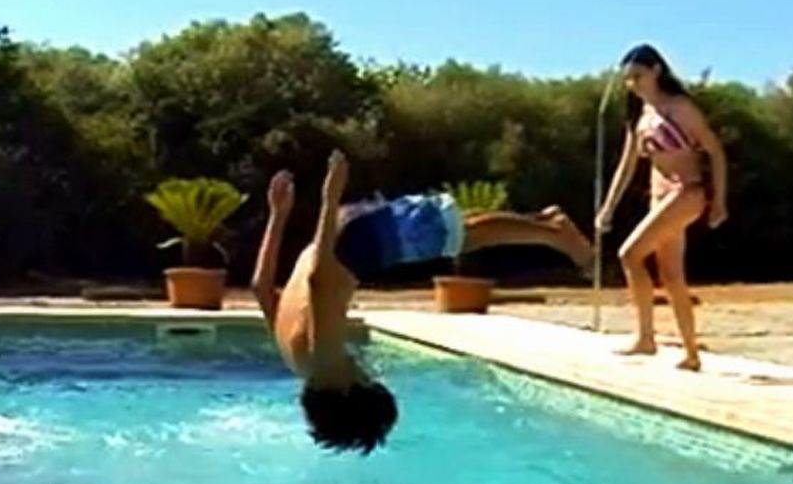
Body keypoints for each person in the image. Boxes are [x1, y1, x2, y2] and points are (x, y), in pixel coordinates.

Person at [254, 151, 593, 453]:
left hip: (352, 247)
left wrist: (329, 197)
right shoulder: (295, 360)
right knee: (451, 227)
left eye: (366, 379)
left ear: (347, 391)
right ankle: (545, 222)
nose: (365, 370)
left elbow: (318, 280)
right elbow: (261, 287)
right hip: (347, 239)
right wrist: (278, 216)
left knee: (458, 235)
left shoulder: (324, 361)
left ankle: (557, 234)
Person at [595, 43, 729, 371]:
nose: (633, 84)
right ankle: (691, 353)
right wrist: (608, 207)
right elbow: (627, 167)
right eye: (628, 79)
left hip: (686, 192)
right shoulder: (641, 117)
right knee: (670, 275)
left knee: (629, 254)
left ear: (656, 71)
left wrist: (719, 201)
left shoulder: (680, 108)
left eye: (638, 76)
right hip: (660, 196)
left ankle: (646, 338)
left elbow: (715, 151)